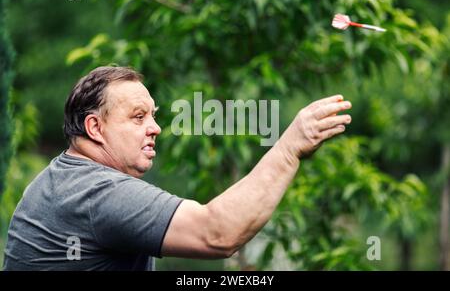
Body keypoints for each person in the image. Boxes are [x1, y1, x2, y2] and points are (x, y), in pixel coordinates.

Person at [3, 66, 352, 270]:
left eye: (153, 116)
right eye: (138, 117)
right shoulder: (96, 193)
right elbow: (218, 233)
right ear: (95, 128)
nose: (155, 127)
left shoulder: (61, 177)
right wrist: (290, 148)